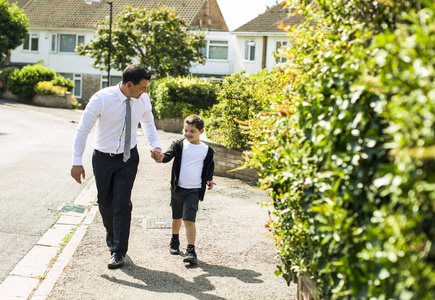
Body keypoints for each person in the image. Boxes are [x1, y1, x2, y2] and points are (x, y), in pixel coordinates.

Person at [71, 64, 163, 269]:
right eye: (143, 87)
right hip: (103, 158)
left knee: (122, 202)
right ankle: (112, 236)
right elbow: (83, 130)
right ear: (129, 85)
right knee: (105, 203)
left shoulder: (143, 99)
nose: (145, 91)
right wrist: (77, 161)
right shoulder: (102, 99)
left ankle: (118, 251)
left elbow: (148, 123)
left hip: (128, 159)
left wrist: (156, 146)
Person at [156, 115, 216, 264]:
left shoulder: (206, 150)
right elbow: (167, 156)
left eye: (192, 131)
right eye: (186, 130)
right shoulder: (179, 144)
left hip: (194, 191)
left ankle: (191, 250)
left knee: (189, 220)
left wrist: (209, 178)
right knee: (177, 218)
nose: (188, 134)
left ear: (201, 131)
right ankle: (174, 240)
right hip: (178, 189)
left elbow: (210, 166)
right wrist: (160, 157)